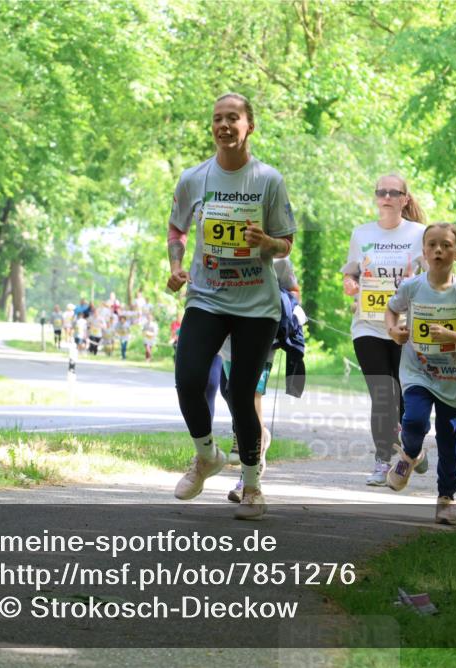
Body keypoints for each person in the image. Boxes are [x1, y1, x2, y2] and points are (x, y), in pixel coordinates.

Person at [166, 92, 296, 520]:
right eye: (217, 118)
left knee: (241, 393)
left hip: (256, 305)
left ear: (249, 126)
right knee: (187, 378)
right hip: (206, 296)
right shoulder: (194, 178)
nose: (224, 125)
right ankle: (206, 456)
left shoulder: (268, 180)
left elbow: (286, 244)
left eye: (233, 118)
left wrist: (267, 243)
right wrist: (176, 265)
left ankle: (253, 483)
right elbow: (177, 228)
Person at [383, 223, 456, 525]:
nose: (438, 250)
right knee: (413, 419)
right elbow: (392, 310)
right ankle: (409, 454)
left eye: (446, 245)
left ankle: (446, 498)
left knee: (449, 443)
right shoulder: (412, 287)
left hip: (453, 379)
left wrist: (451, 337)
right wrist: (394, 331)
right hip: (417, 371)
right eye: (432, 245)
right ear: (424, 251)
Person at [341, 173, 427, 486]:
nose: (387, 197)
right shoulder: (361, 233)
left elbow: (433, 279)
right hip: (368, 326)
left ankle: (411, 449)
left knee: (405, 397)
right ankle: (381, 462)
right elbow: (351, 275)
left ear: (405, 198)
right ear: (376, 198)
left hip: (406, 328)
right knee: (382, 395)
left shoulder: (419, 234)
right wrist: (351, 286)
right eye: (382, 192)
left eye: (394, 192)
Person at [225, 257, 301, 502]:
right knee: (233, 394)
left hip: (262, 337)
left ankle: (249, 477)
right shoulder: (220, 248)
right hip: (226, 338)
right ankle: (259, 435)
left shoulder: (279, 259)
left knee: (250, 394)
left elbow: (293, 291)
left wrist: (285, 305)